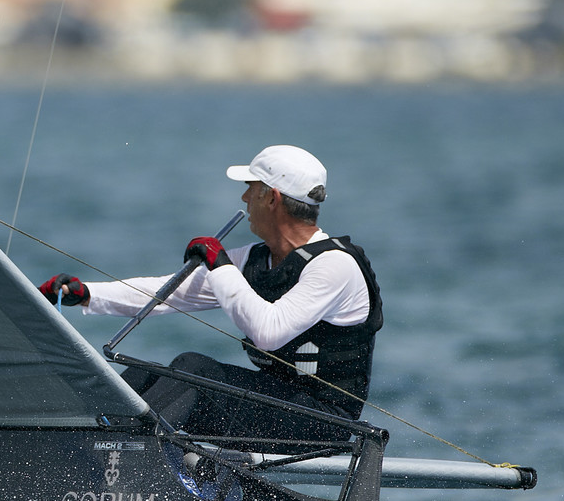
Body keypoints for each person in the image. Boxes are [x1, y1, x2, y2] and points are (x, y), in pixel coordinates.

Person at [39, 145, 382, 447]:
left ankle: (125, 460)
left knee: (192, 367)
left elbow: (269, 331)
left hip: (323, 422)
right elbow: (167, 293)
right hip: (274, 403)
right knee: (149, 376)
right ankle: (82, 444)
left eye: (250, 189)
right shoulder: (254, 259)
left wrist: (219, 264)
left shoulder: (335, 265)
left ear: (271, 197)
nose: (244, 199)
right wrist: (87, 295)